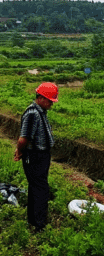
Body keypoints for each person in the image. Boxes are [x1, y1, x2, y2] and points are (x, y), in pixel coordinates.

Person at [14, 82, 58, 232]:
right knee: (41, 190)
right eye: (50, 101)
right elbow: (24, 138)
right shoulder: (33, 113)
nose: (51, 104)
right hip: (35, 156)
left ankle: (33, 220)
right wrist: (19, 151)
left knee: (36, 187)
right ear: (40, 97)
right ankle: (39, 225)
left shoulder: (40, 112)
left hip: (40, 156)